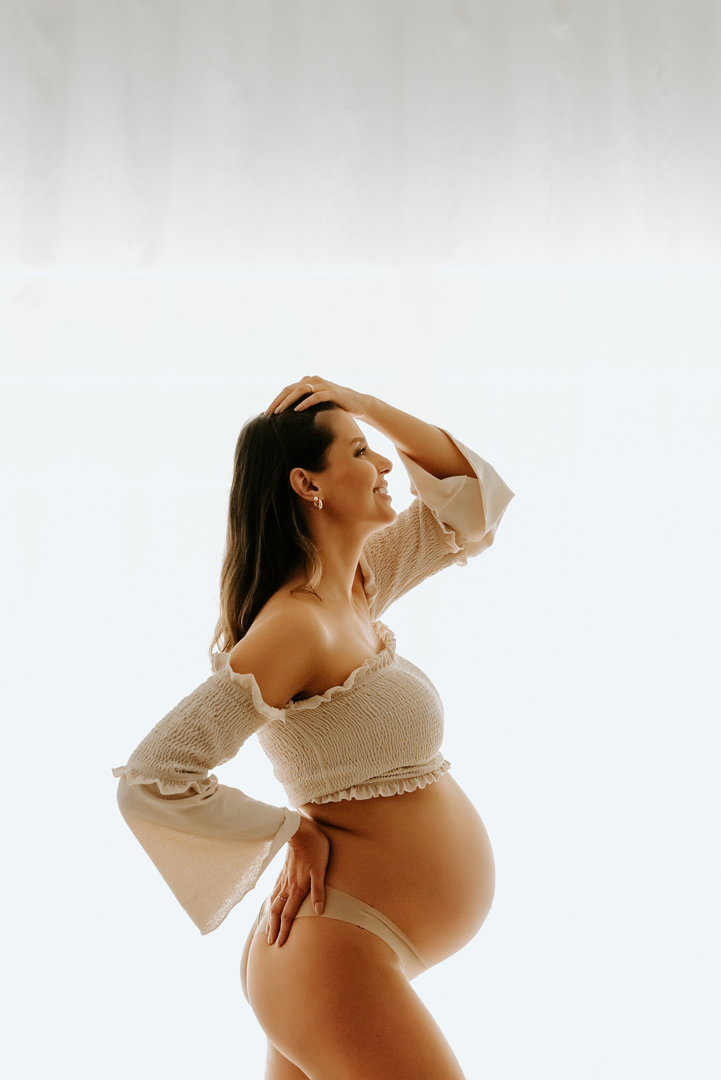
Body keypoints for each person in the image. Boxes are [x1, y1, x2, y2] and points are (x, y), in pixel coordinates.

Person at [113, 376, 514, 1080]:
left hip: (338, 956)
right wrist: (288, 832)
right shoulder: (295, 626)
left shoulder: (358, 588)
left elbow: (473, 499)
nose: (386, 464)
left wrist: (365, 405)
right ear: (308, 484)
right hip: (332, 956)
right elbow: (154, 776)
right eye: (361, 451)